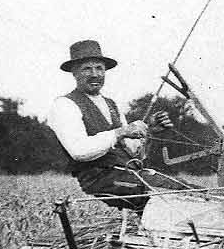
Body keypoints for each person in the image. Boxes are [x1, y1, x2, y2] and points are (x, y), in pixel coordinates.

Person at [48, 39, 187, 212]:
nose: (95, 74)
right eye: (87, 69)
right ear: (74, 73)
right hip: (101, 180)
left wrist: (149, 131)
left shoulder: (111, 105)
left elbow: (133, 152)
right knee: (165, 195)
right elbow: (79, 151)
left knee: (187, 190)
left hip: (130, 173)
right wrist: (120, 132)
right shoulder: (64, 105)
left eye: (99, 68)